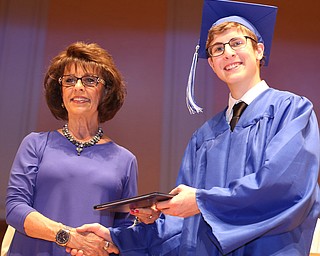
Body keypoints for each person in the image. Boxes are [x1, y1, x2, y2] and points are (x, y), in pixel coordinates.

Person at [68, 0, 320, 255]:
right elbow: (180, 226)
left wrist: (201, 201)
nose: (228, 54)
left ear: (259, 50)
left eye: (237, 43)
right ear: (211, 63)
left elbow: (282, 188)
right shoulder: (204, 137)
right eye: (218, 49)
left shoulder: (292, 111)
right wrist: (116, 239)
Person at [5, 42, 138, 255]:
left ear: (106, 91)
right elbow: (14, 209)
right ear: (61, 92)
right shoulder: (35, 144)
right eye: (69, 80)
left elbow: (123, 228)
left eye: (89, 80)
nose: (78, 87)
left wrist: (104, 246)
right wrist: (70, 237)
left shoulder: (125, 160)